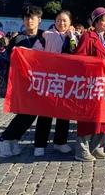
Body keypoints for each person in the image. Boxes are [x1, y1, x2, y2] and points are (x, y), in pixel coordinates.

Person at [74, 7, 105, 161]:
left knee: (104, 116)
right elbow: (79, 58)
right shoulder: (88, 37)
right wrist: (96, 64)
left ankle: (97, 147)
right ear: (96, 22)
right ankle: (82, 150)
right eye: (103, 21)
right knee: (89, 117)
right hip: (91, 83)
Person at [0, 6, 46, 158]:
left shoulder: (44, 37)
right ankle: (5, 138)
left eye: (32, 18)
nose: (29, 21)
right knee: (25, 113)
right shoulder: (17, 39)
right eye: (26, 18)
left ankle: (13, 138)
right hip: (22, 84)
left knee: (33, 113)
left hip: (40, 83)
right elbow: (7, 62)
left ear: (39, 20)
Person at [32, 10, 78, 157]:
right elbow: (35, 53)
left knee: (63, 113)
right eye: (59, 20)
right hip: (50, 79)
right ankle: (40, 144)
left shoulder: (74, 36)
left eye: (65, 20)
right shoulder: (47, 35)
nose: (61, 23)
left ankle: (60, 142)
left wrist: (72, 37)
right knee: (45, 113)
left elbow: (77, 53)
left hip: (67, 80)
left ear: (70, 22)